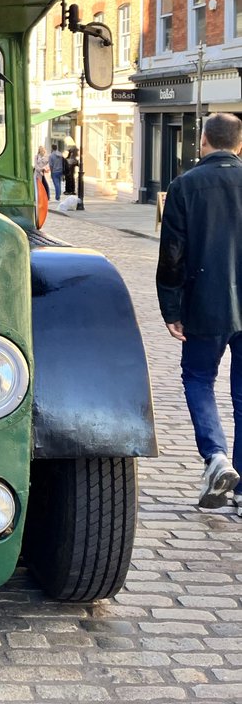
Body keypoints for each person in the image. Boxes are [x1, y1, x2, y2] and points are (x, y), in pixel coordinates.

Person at [156, 112, 242, 512]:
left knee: (198, 378)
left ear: (204, 141)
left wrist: (171, 308)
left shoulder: (185, 185)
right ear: (239, 145)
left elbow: (172, 255)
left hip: (205, 303)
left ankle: (216, 455)